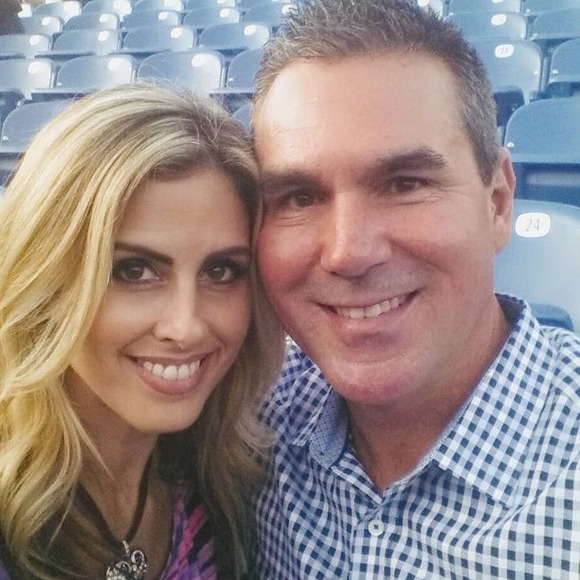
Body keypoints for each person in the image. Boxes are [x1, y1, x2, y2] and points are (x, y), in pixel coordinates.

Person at [250, 0, 580, 577]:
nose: (348, 252)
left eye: (404, 184)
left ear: (497, 203)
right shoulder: (251, 424)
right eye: (300, 197)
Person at [0, 82, 283, 579]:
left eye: (221, 271)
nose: (185, 327)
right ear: (45, 280)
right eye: (133, 271)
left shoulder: (227, 478)